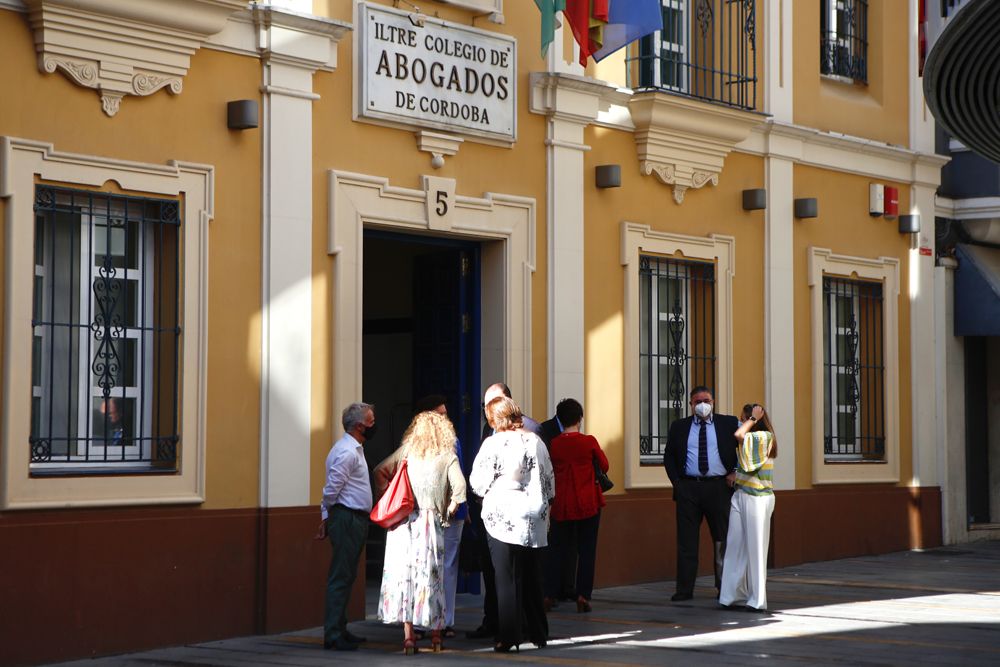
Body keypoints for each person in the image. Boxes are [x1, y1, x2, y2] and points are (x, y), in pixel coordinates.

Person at [375, 410, 467, 654]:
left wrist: (390, 496)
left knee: (406, 580)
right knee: (432, 580)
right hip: (430, 524)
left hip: (403, 524)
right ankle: (436, 636)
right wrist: (448, 510)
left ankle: (408, 638)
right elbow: (460, 488)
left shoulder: (407, 452)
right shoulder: (447, 456)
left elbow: (380, 471)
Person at [470, 396, 554, 653]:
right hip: (534, 517)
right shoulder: (536, 441)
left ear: (494, 419)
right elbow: (549, 480)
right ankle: (539, 633)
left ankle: (509, 636)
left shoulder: (493, 443)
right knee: (532, 576)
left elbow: (478, 482)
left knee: (506, 578)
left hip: (503, 519)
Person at [663, 386, 739, 601]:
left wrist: (735, 471)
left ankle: (724, 587)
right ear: (690, 405)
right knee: (687, 541)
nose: (702, 405)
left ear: (713, 402)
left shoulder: (728, 423)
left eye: (706, 400)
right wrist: (677, 483)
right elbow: (669, 457)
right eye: (697, 401)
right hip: (689, 488)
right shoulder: (679, 427)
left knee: (722, 539)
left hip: (719, 488)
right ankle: (684, 589)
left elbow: (747, 445)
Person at [319, 402, 376, 651]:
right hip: (347, 518)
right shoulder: (348, 452)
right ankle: (333, 634)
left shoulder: (354, 449)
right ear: (359, 425)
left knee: (347, 574)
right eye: (371, 421)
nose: (374, 425)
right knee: (341, 576)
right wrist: (326, 516)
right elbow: (331, 489)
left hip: (353, 518)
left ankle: (340, 628)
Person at [544, 398, 608, 613]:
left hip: (562, 504)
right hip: (587, 502)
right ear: (580, 418)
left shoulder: (554, 443)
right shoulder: (588, 441)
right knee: (587, 550)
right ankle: (583, 595)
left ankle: (549, 593)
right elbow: (605, 464)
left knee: (556, 549)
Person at [719, 404, 777, 613]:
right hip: (741, 494)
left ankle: (757, 599)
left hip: (758, 498)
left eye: (743, 418)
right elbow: (744, 461)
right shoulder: (753, 438)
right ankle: (731, 595)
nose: (741, 421)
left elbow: (738, 435)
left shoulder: (763, 436)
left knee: (756, 548)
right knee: (734, 545)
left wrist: (752, 418)